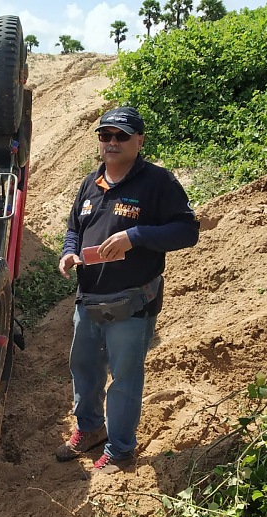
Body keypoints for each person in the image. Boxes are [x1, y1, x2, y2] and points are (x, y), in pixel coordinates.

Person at [55, 107, 199, 474]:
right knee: (84, 368)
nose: (112, 142)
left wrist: (134, 237)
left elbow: (187, 231)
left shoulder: (157, 183)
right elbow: (74, 227)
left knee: (124, 376)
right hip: (88, 299)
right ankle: (90, 428)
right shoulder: (91, 183)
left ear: (139, 141)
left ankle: (121, 449)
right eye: (106, 136)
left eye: (121, 136)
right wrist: (69, 252)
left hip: (132, 302)